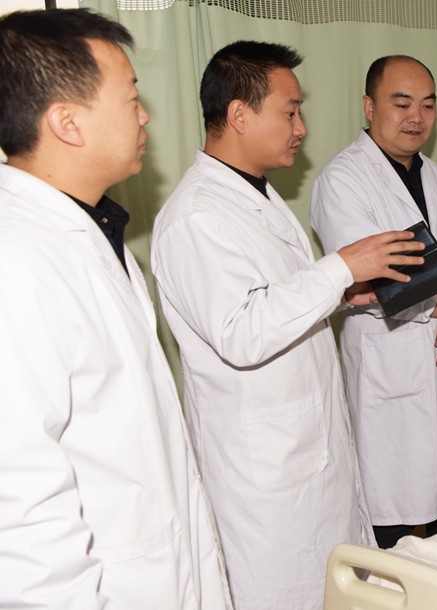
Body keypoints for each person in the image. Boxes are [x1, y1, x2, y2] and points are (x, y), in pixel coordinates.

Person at [149, 42, 425, 609]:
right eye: (290, 111)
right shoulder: (195, 216)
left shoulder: (259, 195)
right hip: (266, 473)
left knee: (335, 586)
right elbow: (242, 331)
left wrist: (341, 294)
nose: (302, 128)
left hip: (309, 447)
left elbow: (275, 299)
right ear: (239, 114)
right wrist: (341, 266)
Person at [0, 9, 231, 609]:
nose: (145, 115)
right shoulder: (15, 261)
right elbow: (19, 512)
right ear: (67, 122)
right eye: (131, 97)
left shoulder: (94, 230)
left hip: (161, 565)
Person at [310, 55, 437, 550]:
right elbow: (373, 280)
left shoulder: (436, 176)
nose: (416, 117)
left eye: (427, 105)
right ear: (369, 106)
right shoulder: (344, 180)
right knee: (390, 519)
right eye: (402, 103)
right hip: (389, 368)